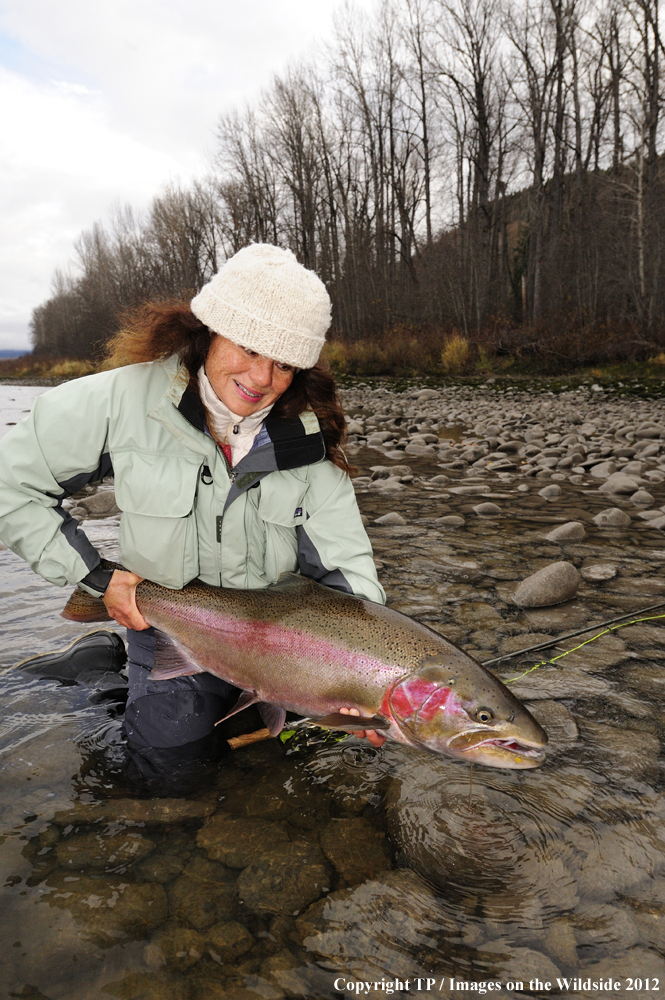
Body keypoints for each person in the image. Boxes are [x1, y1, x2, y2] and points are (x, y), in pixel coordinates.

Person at [0, 244, 386, 788]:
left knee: (338, 749)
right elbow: (10, 486)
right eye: (249, 348)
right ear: (211, 330)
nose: (261, 377)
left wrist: (362, 680)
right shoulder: (119, 403)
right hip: (167, 623)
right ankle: (103, 669)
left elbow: (349, 577)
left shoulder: (308, 442)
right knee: (167, 771)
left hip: (276, 645)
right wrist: (96, 578)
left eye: (282, 362)